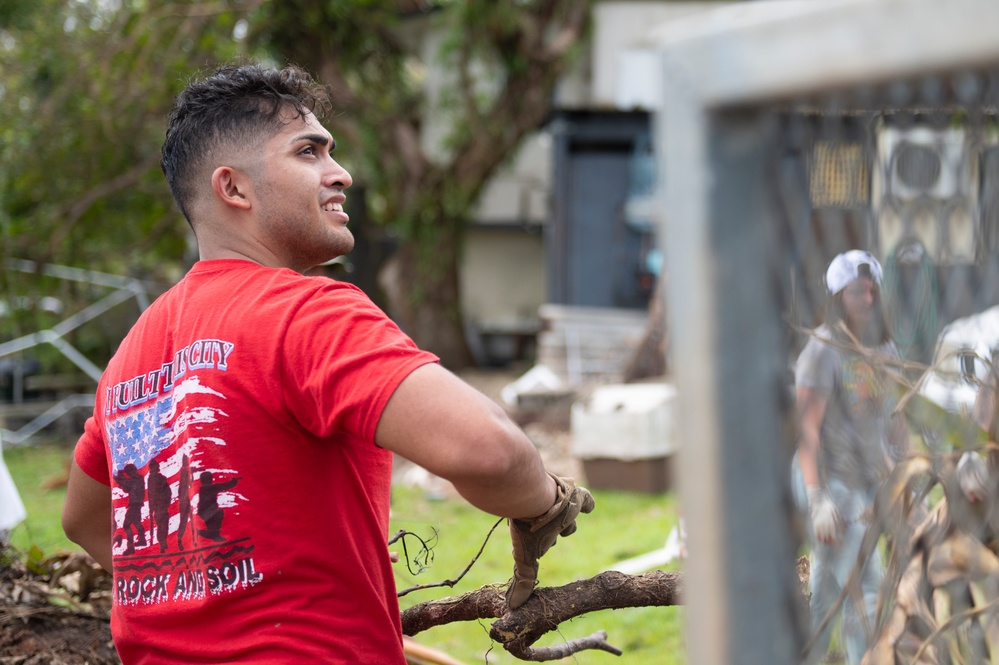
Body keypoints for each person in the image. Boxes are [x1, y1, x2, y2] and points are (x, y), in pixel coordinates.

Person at [61, 61, 593, 664]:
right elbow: (489, 450)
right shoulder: (303, 312)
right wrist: (544, 500)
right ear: (233, 188)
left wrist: (210, 580)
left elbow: (84, 518)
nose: (339, 173)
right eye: (308, 152)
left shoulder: (134, 354)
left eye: (330, 151)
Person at [793, 250, 908, 665]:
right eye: (858, 290)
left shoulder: (885, 348)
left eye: (873, 290)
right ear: (837, 294)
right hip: (827, 479)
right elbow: (807, 430)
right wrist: (817, 496)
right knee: (866, 587)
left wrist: (902, 466)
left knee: (826, 590)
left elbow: (893, 420)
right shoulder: (823, 350)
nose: (868, 298)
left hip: (865, 480)